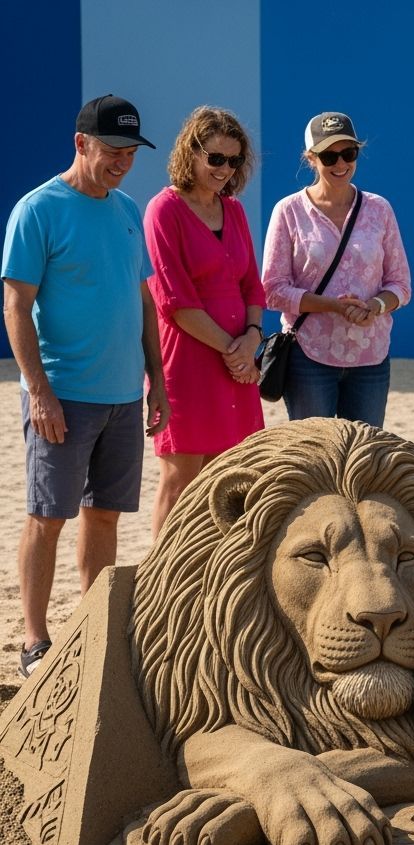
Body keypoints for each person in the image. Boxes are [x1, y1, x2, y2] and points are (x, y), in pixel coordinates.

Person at [1, 94, 169, 678]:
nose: (123, 161)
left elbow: (143, 302)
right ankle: (34, 641)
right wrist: (39, 391)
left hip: (124, 396)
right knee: (47, 517)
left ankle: (93, 630)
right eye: (113, 149)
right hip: (63, 396)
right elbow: (15, 306)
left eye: (131, 151)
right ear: (81, 143)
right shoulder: (38, 210)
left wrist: (157, 382)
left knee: (105, 517)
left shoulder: (126, 209)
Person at [144, 106, 265, 536]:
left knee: (230, 479)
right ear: (190, 152)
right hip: (187, 363)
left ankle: (212, 570)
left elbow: (253, 286)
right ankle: (162, 572)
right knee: (181, 479)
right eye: (215, 158)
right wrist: (235, 351)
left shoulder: (234, 210)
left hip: (237, 363)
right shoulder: (163, 210)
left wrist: (251, 338)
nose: (224, 169)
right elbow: (175, 302)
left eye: (233, 160)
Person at [262, 112, 410, 427]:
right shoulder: (288, 211)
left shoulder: (379, 209)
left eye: (349, 153)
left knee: (364, 450)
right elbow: (273, 290)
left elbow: (400, 284)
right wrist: (333, 306)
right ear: (310, 158)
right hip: (308, 355)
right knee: (315, 450)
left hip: (371, 357)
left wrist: (374, 306)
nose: (341, 163)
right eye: (329, 156)